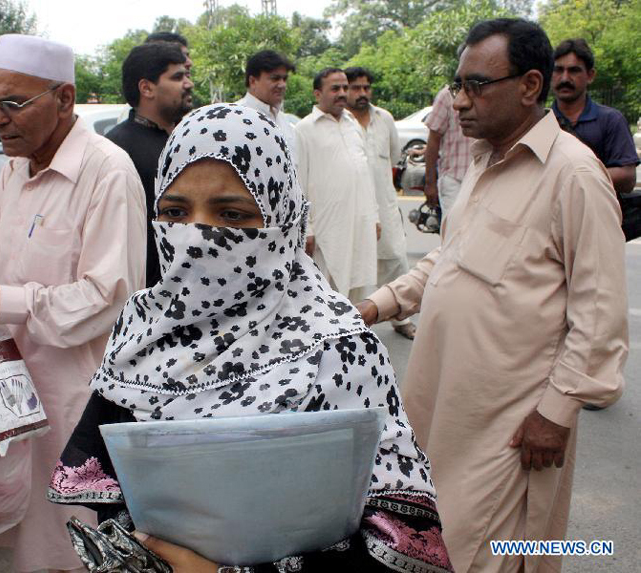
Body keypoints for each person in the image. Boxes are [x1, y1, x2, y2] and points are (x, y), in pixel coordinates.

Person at [48, 103, 452, 573]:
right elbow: (112, 504)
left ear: (282, 221)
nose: (197, 237)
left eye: (232, 215)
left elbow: (401, 545)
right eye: (175, 212)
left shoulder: (338, 347)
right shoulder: (142, 331)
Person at [357, 18, 627, 572]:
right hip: (445, 406)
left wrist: (555, 414)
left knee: (485, 551)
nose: (458, 101)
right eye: (458, 85)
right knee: (432, 541)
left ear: (530, 86)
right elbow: (444, 261)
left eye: (475, 85)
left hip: (510, 429)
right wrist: (376, 305)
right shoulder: (484, 162)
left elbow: (599, 314)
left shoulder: (573, 175)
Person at [0, 34, 147, 572]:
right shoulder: (15, 168)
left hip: (75, 401)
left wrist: (4, 301)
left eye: (12, 104)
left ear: (65, 99)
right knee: (22, 543)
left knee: (72, 546)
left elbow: (106, 298)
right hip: (11, 399)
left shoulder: (106, 172)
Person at [107, 42, 193, 288]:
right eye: (177, 77)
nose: (188, 84)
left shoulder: (183, 140)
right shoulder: (116, 151)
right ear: (146, 88)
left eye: (187, 75)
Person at [295, 68, 380, 303]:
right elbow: (298, 182)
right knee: (327, 290)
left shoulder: (352, 124)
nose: (342, 93)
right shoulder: (304, 129)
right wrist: (307, 229)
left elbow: (365, 174)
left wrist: (374, 216)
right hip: (327, 227)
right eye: (335, 88)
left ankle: (354, 334)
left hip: (359, 221)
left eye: (344, 87)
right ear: (317, 94)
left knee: (360, 284)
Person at [344, 66, 416, 340]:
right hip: (356, 208)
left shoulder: (384, 119)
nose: (362, 93)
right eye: (356, 88)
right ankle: (354, 323)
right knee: (358, 266)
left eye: (366, 87)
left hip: (385, 205)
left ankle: (401, 320)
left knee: (397, 260)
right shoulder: (341, 122)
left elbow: (394, 154)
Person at [551, 38, 638, 194]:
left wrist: (570, 179)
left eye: (574, 70)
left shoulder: (611, 120)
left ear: (590, 75)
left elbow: (627, 177)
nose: (564, 78)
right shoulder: (541, 122)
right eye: (558, 70)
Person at [235, 50, 298, 163]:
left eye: (284, 79)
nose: (282, 85)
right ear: (253, 81)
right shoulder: (235, 117)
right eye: (275, 78)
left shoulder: (283, 121)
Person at [424, 84, 474, 217]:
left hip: (482, 179)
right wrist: (430, 184)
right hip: (454, 180)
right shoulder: (446, 96)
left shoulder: (487, 91)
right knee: (454, 231)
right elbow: (433, 140)